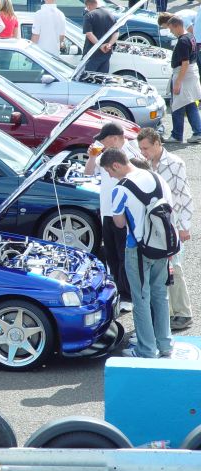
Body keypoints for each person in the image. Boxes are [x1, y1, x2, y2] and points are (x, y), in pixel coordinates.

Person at [102, 149, 173, 359]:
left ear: (115, 165)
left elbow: (119, 223)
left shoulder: (120, 189)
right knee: (160, 294)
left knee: (141, 298)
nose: (110, 175)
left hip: (138, 248)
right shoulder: (157, 178)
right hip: (163, 244)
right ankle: (165, 345)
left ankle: (146, 349)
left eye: (108, 171)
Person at [137, 128, 194, 331]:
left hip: (173, 224)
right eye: (141, 148)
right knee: (161, 271)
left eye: (146, 148)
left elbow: (184, 195)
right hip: (155, 226)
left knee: (175, 268)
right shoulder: (144, 164)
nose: (143, 152)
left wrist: (185, 226)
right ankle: (167, 313)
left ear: (157, 143)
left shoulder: (175, 163)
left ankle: (183, 313)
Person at [84, 122, 143, 313]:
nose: (102, 143)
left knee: (124, 254)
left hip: (124, 215)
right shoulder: (105, 155)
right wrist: (92, 157)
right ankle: (118, 289)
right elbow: (88, 172)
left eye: (104, 139)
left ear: (115, 138)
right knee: (111, 254)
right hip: (107, 213)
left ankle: (128, 295)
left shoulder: (131, 156)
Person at [163, 16, 201, 144]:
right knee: (190, 104)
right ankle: (198, 132)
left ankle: (177, 135)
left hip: (184, 75)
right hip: (190, 74)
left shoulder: (183, 41)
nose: (171, 32)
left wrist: (178, 82)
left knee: (177, 106)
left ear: (177, 26)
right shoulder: (191, 36)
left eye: (171, 29)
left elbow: (185, 63)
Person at [82, 0, 117, 74]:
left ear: (88, 6)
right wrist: (109, 44)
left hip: (91, 54)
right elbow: (116, 33)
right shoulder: (110, 14)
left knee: (87, 79)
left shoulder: (89, 15)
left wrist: (100, 46)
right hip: (106, 54)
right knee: (101, 79)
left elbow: (89, 34)